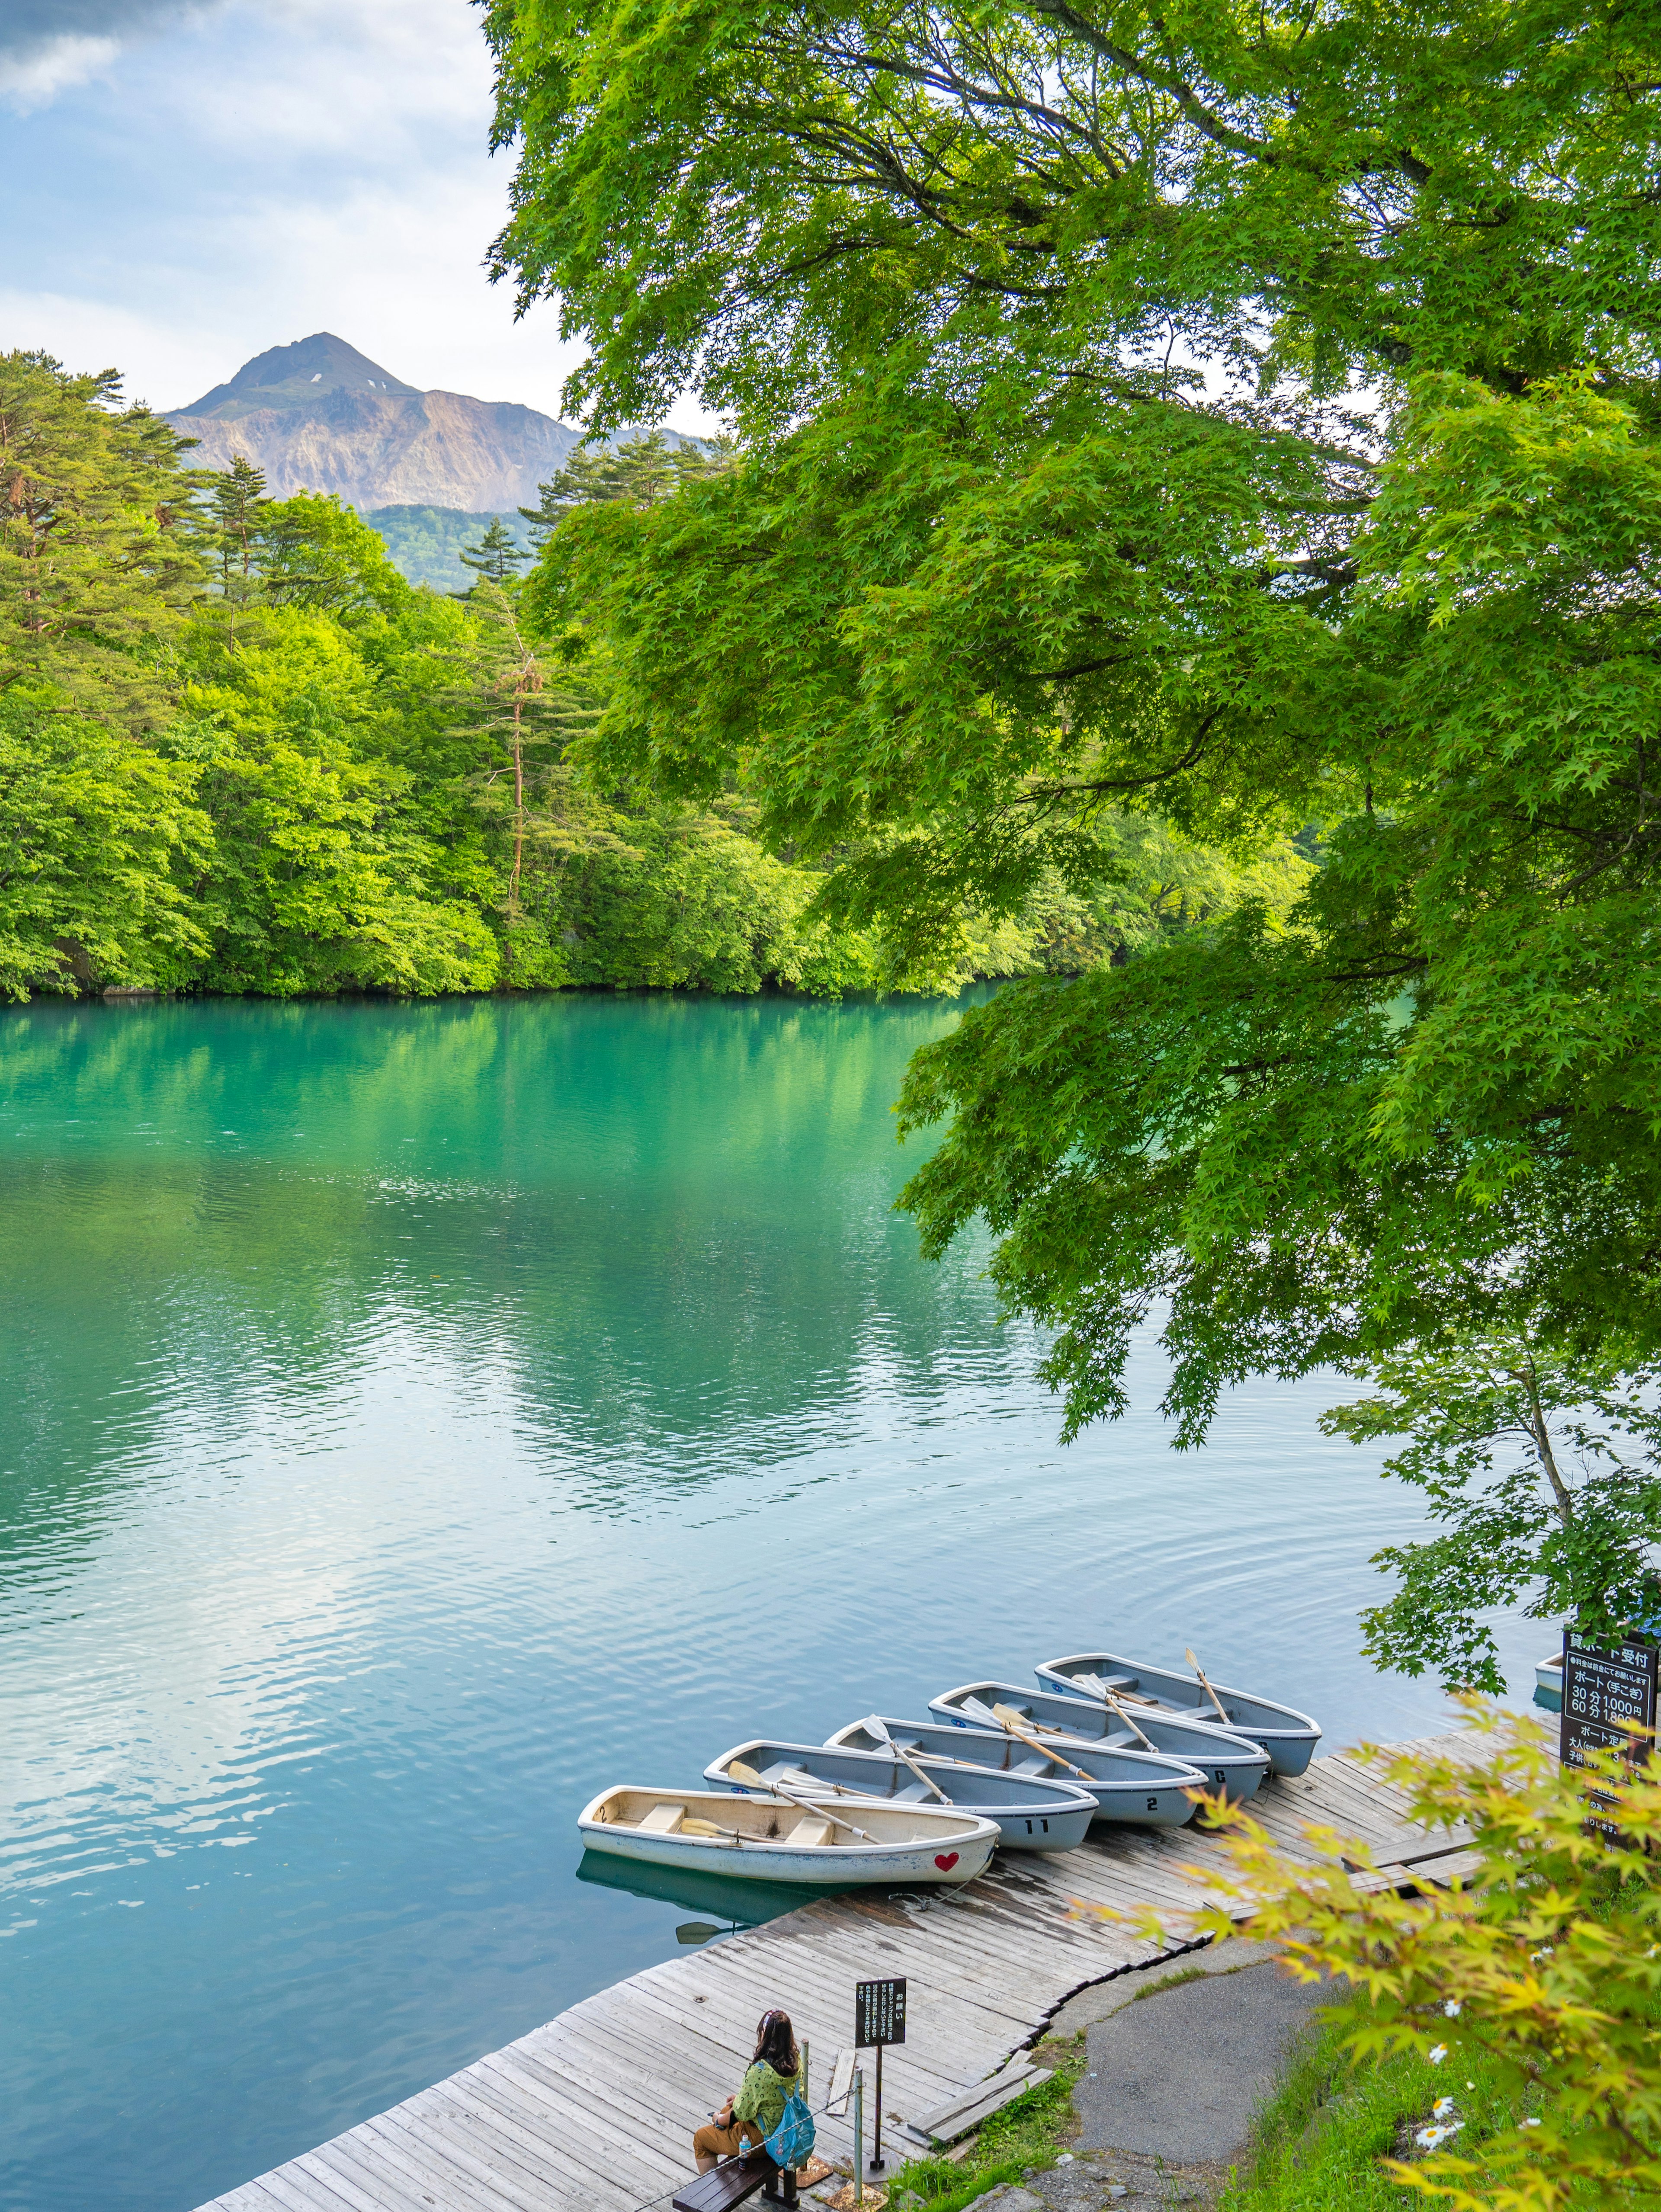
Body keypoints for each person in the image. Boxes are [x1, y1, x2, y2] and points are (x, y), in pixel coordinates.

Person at [693, 2009, 801, 2173]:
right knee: (726, 2110)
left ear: (765, 2035)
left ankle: (714, 2195)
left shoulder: (760, 2071)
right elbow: (771, 2096)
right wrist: (738, 2101)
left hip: (765, 2140)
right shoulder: (795, 2060)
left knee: (701, 2139)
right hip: (787, 2128)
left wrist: (718, 2120)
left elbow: (742, 2113)